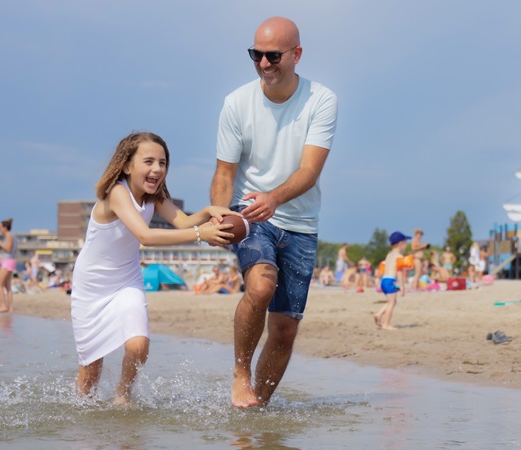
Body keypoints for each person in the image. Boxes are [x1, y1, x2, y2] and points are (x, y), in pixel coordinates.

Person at [209, 16, 338, 408]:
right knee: (261, 286)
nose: (264, 64)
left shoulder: (322, 100)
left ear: (296, 54)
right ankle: (239, 374)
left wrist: (276, 198)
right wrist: (218, 215)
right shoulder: (236, 102)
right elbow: (224, 173)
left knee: (283, 330)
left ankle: (256, 408)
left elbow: (309, 171)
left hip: (300, 223)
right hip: (250, 215)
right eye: (257, 55)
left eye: (273, 55)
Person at [71, 132, 236, 404]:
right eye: (148, 161)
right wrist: (200, 235)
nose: (157, 169)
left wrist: (208, 211)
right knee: (91, 370)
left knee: (139, 345)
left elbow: (182, 221)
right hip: (92, 286)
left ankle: (122, 397)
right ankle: (81, 421)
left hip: (127, 279)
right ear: (127, 165)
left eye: (162, 162)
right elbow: (146, 236)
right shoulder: (117, 192)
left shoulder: (154, 196)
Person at [374, 232, 409, 331]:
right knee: (392, 303)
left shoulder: (389, 255)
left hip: (384, 280)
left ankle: (378, 314)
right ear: (401, 244)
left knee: (390, 301)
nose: (406, 246)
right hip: (390, 280)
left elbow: (384, 267)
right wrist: (402, 287)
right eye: (405, 243)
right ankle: (386, 324)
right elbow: (399, 273)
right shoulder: (400, 257)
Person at [0, 218, 16, 313]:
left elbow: (8, 249)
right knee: (7, 286)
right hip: (9, 261)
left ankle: (3, 305)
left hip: (8, 262)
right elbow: (8, 252)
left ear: (5, 228)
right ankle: (10, 308)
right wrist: (0, 261)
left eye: (0, 227)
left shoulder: (9, 236)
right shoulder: (11, 236)